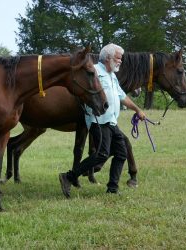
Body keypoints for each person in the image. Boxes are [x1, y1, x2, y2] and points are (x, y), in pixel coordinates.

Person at [59, 43, 146, 198]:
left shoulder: (112, 75)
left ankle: (112, 188)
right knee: (101, 154)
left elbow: (122, 96)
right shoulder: (94, 71)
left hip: (112, 121)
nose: (120, 61)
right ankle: (69, 177)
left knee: (121, 153)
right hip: (98, 121)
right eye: (118, 58)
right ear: (108, 58)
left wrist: (137, 110)